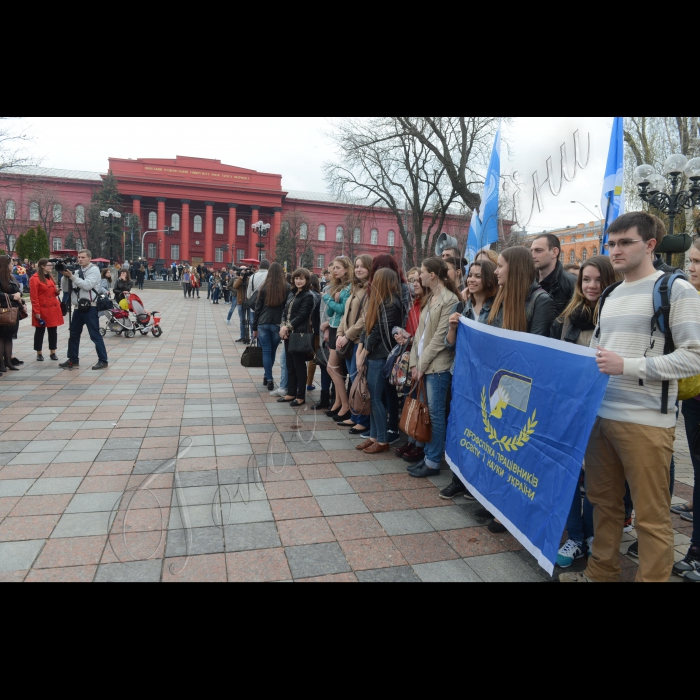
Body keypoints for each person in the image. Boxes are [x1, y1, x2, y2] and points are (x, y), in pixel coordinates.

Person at [560, 212, 700, 584]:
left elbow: (693, 357)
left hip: (647, 421)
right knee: (604, 506)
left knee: (651, 516)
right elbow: (604, 352)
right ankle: (599, 572)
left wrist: (629, 366)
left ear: (650, 245)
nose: (615, 250)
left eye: (625, 242)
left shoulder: (676, 289)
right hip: (600, 416)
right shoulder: (610, 293)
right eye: (612, 243)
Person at [470, 247, 557, 532]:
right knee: (495, 440)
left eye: (501, 266)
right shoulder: (501, 297)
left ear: (515, 269)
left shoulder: (540, 300)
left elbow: (538, 348)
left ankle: (508, 508)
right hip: (498, 379)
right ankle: (494, 498)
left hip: (521, 385)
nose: (495, 271)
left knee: (513, 447)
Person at [550, 256, 617, 568]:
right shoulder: (567, 318)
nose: (591, 286)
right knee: (566, 473)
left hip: (605, 411)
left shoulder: (615, 317)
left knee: (596, 480)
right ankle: (575, 536)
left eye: (598, 280)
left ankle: (591, 536)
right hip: (570, 408)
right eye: (586, 280)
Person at [440, 260, 499, 498]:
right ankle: (458, 478)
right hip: (463, 377)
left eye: (477, 276)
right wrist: (453, 327)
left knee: (484, 431)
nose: (471, 280)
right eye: (469, 275)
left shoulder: (497, 308)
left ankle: (477, 482)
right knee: (461, 426)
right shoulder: (463, 306)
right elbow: (449, 345)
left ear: (488, 280)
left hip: (486, 380)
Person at [406, 258, 459, 478]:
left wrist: (422, 364)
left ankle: (433, 461)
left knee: (435, 415)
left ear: (433, 275)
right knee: (427, 412)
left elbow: (440, 338)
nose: (419, 279)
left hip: (438, 366)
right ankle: (428, 455)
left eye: (423, 274)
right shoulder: (430, 297)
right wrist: (413, 363)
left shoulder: (450, 299)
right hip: (424, 364)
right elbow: (420, 333)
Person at [673, 239, 700, 582]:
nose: (692, 267)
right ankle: (696, 549)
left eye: (698, 261)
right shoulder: (688, 300)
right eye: (691, 260)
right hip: (693, 400)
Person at [356, 269, 403, 454]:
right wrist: (362, 350)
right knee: (375, 397)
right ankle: (374, 437)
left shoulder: (392, 303)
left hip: (381, 355)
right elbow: (367, 327)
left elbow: (379, 330)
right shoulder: (381, 301)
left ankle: (382, 440)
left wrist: (363, 352)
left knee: (376, 398)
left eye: (376, 279)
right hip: (373, 354)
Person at [395, 268, 431, 463]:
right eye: (412, 280)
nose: (414, 283)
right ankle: (411, 439)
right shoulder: (414, 304)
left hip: (423, 360)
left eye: (418, 280)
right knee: (411, 399)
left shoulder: (428, 304)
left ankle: (420, 443)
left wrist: (410, 337)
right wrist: (401, 334)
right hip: (411, 356)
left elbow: (423, 335)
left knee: (421, 403)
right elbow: (410, 329)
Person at [336, 255, 373, 433]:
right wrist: (340, 333)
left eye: (362, 267)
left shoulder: (370, 290)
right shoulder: (355, 288)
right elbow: (345, 314)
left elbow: (365, 320)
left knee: (360, 382)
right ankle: (355, 415)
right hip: (349, 340)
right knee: (353, 380)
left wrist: (348, 336)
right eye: (356, 266)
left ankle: (363, 419)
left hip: (359, 342)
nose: (358, 269)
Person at [59, 250, 109, 371]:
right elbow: (65, 289)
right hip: (77, 308)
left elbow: (87, 285)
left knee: (94, 335)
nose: (80, 259)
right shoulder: (76, 271)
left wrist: (72, 276)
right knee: (73, 334)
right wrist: (65, 277)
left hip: (90, 307)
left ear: (89, 258)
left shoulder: (94, 270)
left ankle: (103, 360)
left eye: (82, 257)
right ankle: (73, 358)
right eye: (78, 257)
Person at [322, 257, 353, 422]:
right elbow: (333, 312)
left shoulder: (348, 287)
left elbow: (342, 309)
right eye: (333, 267)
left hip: (341, 329)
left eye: (338, 267)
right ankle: (339, 402)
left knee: (332, 368)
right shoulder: (338, 286)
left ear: (347, 269)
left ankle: (345, 404)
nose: (335, 270)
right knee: (336, 369)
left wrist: (327, 298)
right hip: (334, 327)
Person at [279, 269, 315, 407]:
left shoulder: (308, 296)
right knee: (290, 364)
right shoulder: (292, 293)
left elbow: (302, 315)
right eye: (296, 278)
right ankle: (291, 393)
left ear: (307, 280)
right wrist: (283, 326)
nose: (298, 281)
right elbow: (284, 311)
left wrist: (287, 327)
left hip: (298, 334)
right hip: (288, 333)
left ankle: (300, 396)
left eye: (301, 278)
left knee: (299, 365)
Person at [253, 262, 290, 393]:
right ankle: (267, 375)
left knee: (266, 352)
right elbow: (287, 307)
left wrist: (254, 327)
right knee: (272, 352)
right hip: (277, 324)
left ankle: (268, 378)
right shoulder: (286, 287)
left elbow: (258, 308)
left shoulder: (263, 287)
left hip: (262, 323)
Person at [531, 233, 577, 316]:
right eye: (532, 251)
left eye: (538, 251)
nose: (533, 255)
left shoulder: (572, 283)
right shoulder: (529, 282)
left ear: (554, 252)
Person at [30, 258, 63, 362]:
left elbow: (51, 292)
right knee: (40, 331)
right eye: (49, 265)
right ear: (43, 266)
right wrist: (37, 311)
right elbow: (34, 297)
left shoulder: (50, 277)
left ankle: (53, 352)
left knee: (53, 331)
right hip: (42, 308)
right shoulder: (34, 279)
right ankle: (39, 352)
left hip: (52, 307)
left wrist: (56, 291)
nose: (51, 266)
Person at [0, 255, 23, 375]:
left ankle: (8, 361)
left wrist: (20, 298)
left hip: (14, 311)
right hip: (3, 311)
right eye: (11, 263)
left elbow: (19, 290)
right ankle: (1, 364)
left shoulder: (12, 277)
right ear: (5, 265)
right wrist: (11, 296)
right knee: (1, 338)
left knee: (9, 337)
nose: (13, 265)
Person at [233, 268, 253, 342]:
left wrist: (248, 278)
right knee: (242, 320)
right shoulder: (238, 279)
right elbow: (235, 286)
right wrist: (241, 278)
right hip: (240, 302)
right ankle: (242, 336)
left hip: (249, 302)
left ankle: (252, 337)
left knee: (251, 320)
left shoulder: (249, 280)